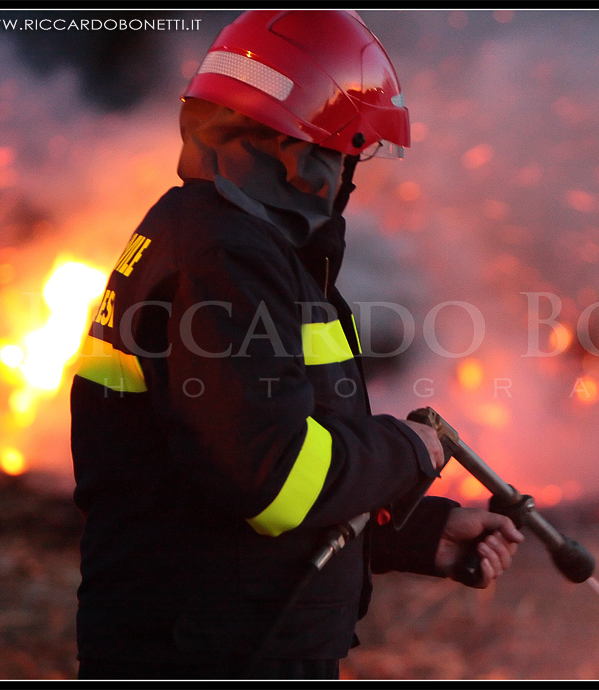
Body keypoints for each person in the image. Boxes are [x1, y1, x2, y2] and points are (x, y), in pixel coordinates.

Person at [70, 10, 523, 680]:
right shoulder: (226, 258)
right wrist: (406, 450)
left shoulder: (226, 240)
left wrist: (414, 533)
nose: (349, 176)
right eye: (349, 153)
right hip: (208, 655)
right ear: (299, 151)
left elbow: (221, 479)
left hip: (228, 640)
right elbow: (274, 479)